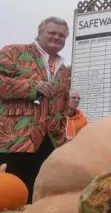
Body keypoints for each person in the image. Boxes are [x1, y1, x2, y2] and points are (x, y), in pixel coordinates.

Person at [0, 16, 71, 202]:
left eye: (62, 35)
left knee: (39, 194)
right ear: (40, 34)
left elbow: (62, 106)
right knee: (10, 192)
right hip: (16, 137)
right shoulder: (13, 52)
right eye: (52, 33)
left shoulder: (64, 69)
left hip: (50, 140)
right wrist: (32, 88)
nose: (57, 37)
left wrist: (62, 138)